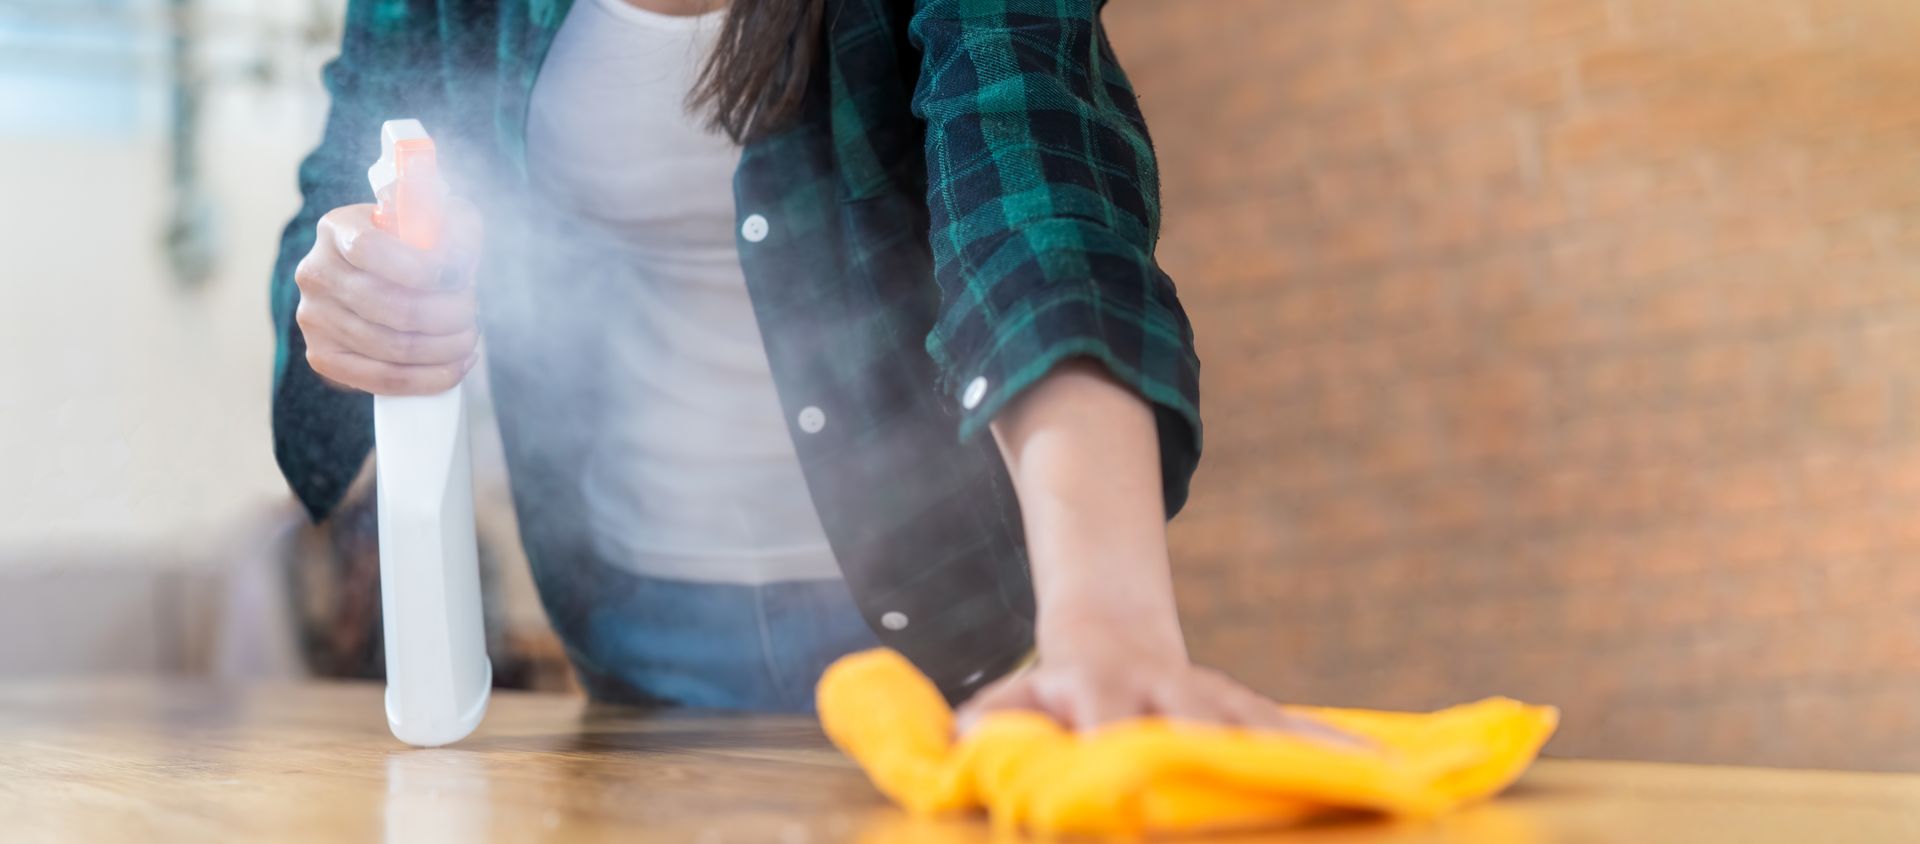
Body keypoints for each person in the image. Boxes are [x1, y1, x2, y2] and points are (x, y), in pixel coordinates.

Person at [272, 0, 1336, 738]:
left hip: (931, 616)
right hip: (623, 615)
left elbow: (1036, 204)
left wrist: (1107, 624)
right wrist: (348, 288)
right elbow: (345, 175)